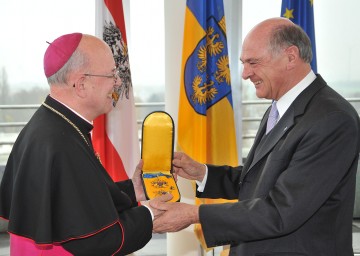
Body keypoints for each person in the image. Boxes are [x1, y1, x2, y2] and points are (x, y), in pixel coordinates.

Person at [151, 17, 360, 255]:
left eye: (253, 62)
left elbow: (282, 210)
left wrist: (193, 214)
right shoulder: (279, 107)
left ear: (291, 57)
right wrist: (203, 173)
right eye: (243, 63)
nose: (245, 74)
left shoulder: (331, 119)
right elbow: (260, 180)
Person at [0, 33, 171, 255]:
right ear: (81, 84)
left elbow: (79, 199)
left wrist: (132, 191)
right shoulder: (61, 143)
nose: (118, 81)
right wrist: (149, 215)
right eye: (112, 74)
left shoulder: (54, 125)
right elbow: (97, 240)